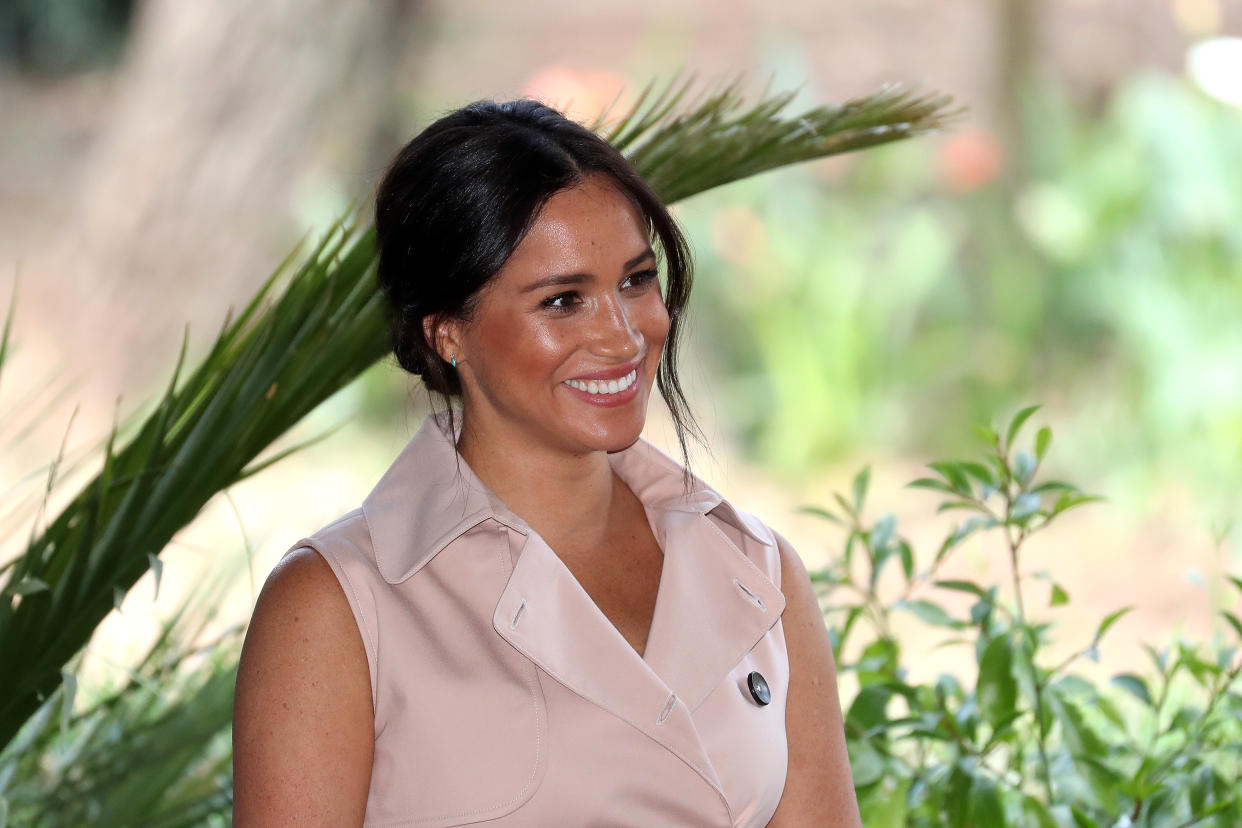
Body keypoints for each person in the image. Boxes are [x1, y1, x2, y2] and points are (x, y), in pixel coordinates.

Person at [232, 99, 860, 827]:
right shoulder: (339, 606)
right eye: (564, 301)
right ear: (446, 333)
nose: (624, 338)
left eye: (635, 280)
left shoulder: (756, 568)